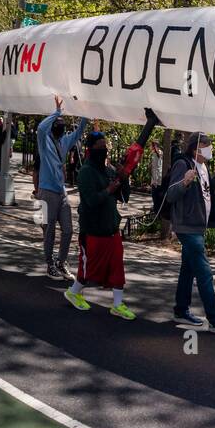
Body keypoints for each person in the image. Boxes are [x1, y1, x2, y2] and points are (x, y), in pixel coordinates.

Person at [65, 111, 159, 319]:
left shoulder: (108, 170)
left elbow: (124, 197)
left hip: (111, 229)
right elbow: (90, 200)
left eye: (105, 147)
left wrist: (123, 179)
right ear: (91, 150)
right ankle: (73, 292)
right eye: (100, 148)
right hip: (93, 230)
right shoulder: (86, 172)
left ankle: (117, 304)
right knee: (88, 271)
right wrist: (109, 189)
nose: (104, 150)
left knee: (117, 268)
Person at [164, 131, 215, 335]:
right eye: (207, 144)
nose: (210, 148)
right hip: (187, 226)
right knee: (204, 273)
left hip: (198, 226)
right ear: (196, 148)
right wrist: (184, 182)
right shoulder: (183, 164)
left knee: (188, 269)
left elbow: (206, 190)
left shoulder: (203, 166)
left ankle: (180, 309)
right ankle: (214, 319)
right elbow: (171, 194)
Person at [37, 97, 88, 279]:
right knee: (49, 230)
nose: (61, 127)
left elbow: (79, 131)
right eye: (58, 124)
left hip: (61, 193)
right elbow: (41, 128)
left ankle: (61, 261)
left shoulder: (64, 142)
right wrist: (57, 112)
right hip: (46, 193)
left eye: (62, 124)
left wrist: (85, 112)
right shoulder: (44, 142)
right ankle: (50, 264)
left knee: (68, 230)